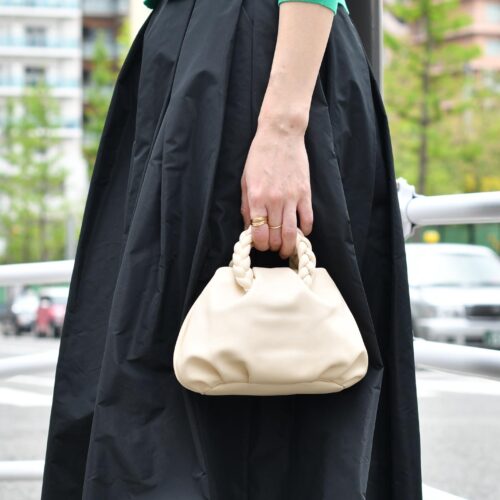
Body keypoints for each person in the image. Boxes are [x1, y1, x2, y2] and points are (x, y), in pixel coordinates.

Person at [41, 0, 423, 498]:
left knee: (275, 420)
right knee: (145, 403)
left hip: (261, 64)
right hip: (181, 73)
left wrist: (283, 128)